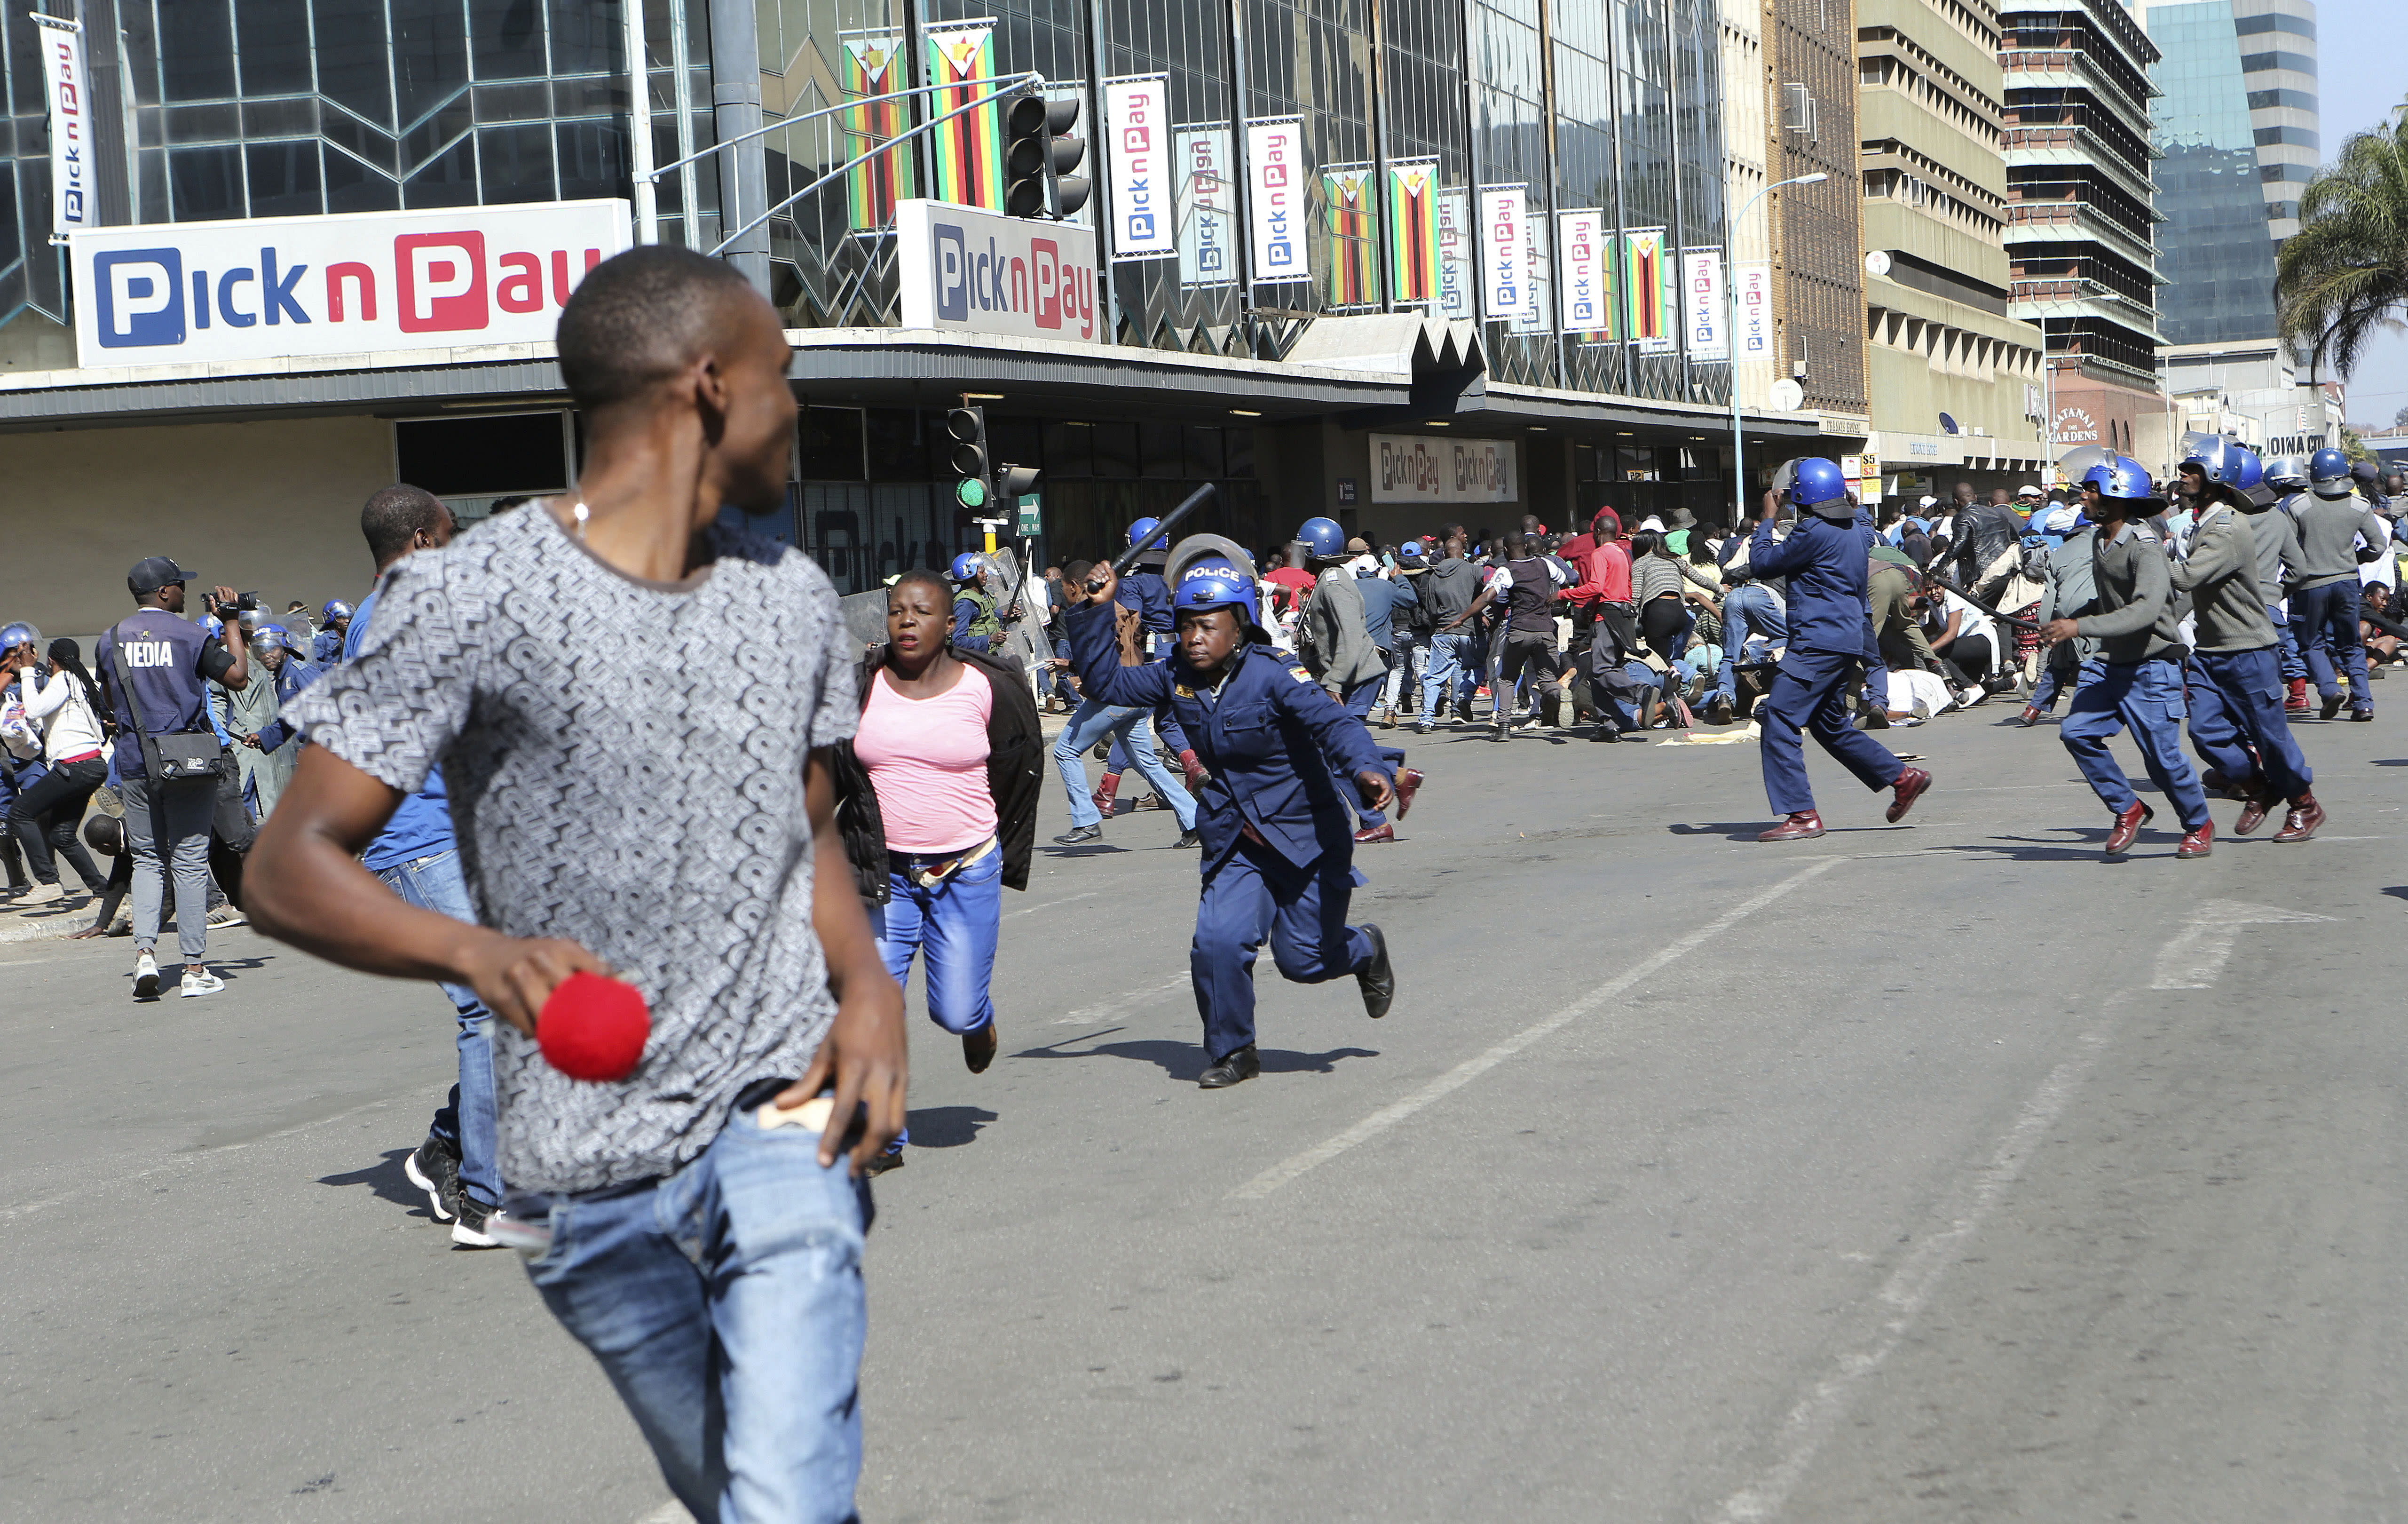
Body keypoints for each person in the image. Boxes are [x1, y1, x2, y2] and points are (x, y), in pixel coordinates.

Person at [251, 245, 907, 1523]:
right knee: (754, 1497)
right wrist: (474, 955)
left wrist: (869, 984)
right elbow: (287, 863)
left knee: (781, 1500)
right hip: (581, 1176)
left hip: (779, 1113)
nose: (795, 411)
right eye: (783, 378)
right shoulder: (469, 595)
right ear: (709, 386)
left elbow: (803, 828)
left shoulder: (797, 601)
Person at [1066, 547, 1397, 1088]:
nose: (1194, 637)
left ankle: (1365, 949)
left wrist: (1366, 769)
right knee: (1217, 942)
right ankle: (1234, 1050)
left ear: (1239, 627)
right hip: (1236, 836)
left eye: (1208, 626)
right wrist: (1092, 611)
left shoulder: (1275, 675)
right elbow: (1108, 686)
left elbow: (1334, 725)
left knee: (1304, 959)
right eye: (1186, 626)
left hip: (1304, 835)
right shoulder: (1173, 675)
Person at [833, 569, 1041, 1171]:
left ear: (951, 625)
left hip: (966, 870)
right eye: (897, 610)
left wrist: (982, 834)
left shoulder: (986, 686)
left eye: (922, 612)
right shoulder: (862, 687)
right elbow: (825, 767)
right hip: (883, 874)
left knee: (954, 1010)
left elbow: (1014, 762)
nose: (906, 621)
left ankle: (979, 1022)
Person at [1745, 459, 1931, 840]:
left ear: (1803, 494)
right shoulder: (1853, 529)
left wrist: (1766, 519)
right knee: (1828, 725)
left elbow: (1762, 565)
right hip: (1845, 638)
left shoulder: (1812, 530)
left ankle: (1801, 815)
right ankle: (1901, 777)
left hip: (1817, 640)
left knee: (1778, 716)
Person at [2038, 460, 2214, 858]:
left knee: (2162, 759)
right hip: (2110, 662)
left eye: (2090, 489)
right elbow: (2106, 602)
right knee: (2077, 733)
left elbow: (2144, 611)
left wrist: (2079, 627)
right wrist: (2064, 622)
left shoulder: (2144, 546)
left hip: (2152, 667)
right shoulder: (2099, 539)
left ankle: (2198, 823)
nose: (2082, 495)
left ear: (2114, 498)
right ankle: (2128, 808)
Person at [95, 559, 251, 1000]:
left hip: (134, 763)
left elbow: (112, 701)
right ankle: (194, 967)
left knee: (147, 858)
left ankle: (145, 953)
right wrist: (232, 622)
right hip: (186, 764)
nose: (185, 593)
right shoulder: (190, 635)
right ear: (164, 593)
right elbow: (237, 677)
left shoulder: (110, 640)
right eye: (180, 586)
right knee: (188, 860)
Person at [2168, 440, 2322, 842]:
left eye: (2192, 469)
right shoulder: (2201, 523)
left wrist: (2140, 551)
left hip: (2248, 650)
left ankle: (2305, 805)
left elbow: (2184, 578)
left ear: (2214, 477)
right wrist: (2165, 623)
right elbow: (2193, 590)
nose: (2183, 475)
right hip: (2210, 650)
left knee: (2271, 738)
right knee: (2204, 732)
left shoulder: (2225, 527)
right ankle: (2259, 788)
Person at [1296, 516, 1416, 838]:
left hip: (1355, 675)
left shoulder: (1334, 581)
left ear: (1315, 550)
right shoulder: (1327, 578)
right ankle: (1397, 775)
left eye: (1303, 550)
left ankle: (1377, 818)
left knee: (1338, 752)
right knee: (1336, 748)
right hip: (1347, 673)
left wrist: (1333, 681)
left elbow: (1352, 634)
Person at [2, 627, 111, 906]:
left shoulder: (63, 679)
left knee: (20, 812)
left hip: (75, 766)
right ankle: (103, 890)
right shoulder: (80, 683)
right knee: (62, 835)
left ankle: (48, 882)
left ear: (53, 661)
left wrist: (26, 670)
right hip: (90, 764)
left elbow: (36, 709)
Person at [2292, 446, 2387, 722]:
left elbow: (2286, 546)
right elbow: (2378, 546)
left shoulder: (2300, 506)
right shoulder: (2360, 506)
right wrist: (2356, 557)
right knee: (2351, 645)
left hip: (2311, 585)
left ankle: (2330, 688)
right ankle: (2364, 704)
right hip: (2347, 582)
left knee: (2311, 642)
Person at [1461, 531, 1570, 740]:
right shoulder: (1545, 564)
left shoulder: (1507, 569)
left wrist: (1462, 618)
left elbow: (1489, 596)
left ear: (1508, 550)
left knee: (1507, 678)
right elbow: (1567, 578)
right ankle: (1560, 694)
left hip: (1520, 631)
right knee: (1547, 680)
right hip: (1546, 631)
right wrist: (1553, 597)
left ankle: (1503, 727)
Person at [212, 622, 317, 821]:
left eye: (273, 649)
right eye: (261, 651)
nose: (267, 656)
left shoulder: (299, 672)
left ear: (286, 648)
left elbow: (332, 709)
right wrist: (263, 737)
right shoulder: (281, 677)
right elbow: (289, 722)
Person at [1416, 529, 1484, 729]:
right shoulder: (1474, 571)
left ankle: (1426, 719)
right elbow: (1490, 592)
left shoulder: (1435, 575)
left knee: (1435, 676)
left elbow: (1430, 607)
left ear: (1445, 554)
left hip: (1444, 631)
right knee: (1475, 668)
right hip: (1471, 630)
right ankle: (1463, 699)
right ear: (1463, 552)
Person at [947, 551, 1003, 655]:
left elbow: (981, 619)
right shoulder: (965, 603)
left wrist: (1005, 614)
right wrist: (990, 639)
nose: (986, 575)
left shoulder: (981, 596)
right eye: (982, 572)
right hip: (974, 663)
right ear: (971, 576)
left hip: (987, 659)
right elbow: (958, 641)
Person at [311, 600, 352, 666]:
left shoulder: (353, 637)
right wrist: (334, 666)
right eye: (341, 617)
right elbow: (314, 665)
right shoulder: (323, 639)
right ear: (331, 618)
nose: (347, 621)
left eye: (349, 617)